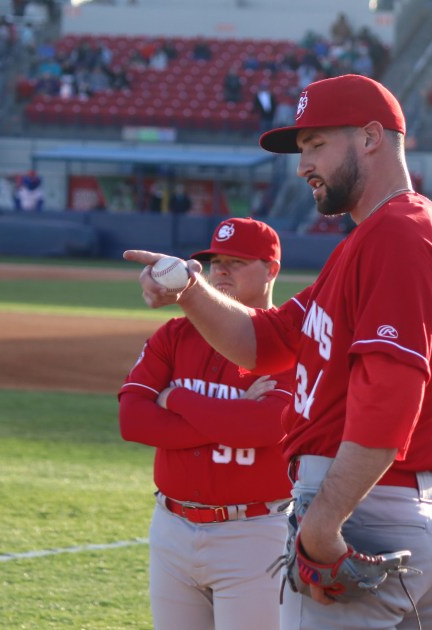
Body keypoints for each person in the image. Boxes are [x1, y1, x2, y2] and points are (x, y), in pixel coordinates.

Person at [124, 74, 432, 630]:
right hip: (399, 505)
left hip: (366, 510)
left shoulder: (397, 234)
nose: (301, 164)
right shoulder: (383, 237)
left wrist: (321, 526)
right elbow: (265, 342)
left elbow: (389, 401)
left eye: (315, 145)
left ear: (369, 137)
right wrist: (191, 291)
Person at [119, 217, 293, 630]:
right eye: (216, 262)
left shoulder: (290, 343)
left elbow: (266, 428)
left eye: (237, 261)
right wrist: (232, 413)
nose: (222, 271)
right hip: (171, 529)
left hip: (255, 534)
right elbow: (133, 421)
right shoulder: (175, 336)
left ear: (272, 270)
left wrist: (175, 398)